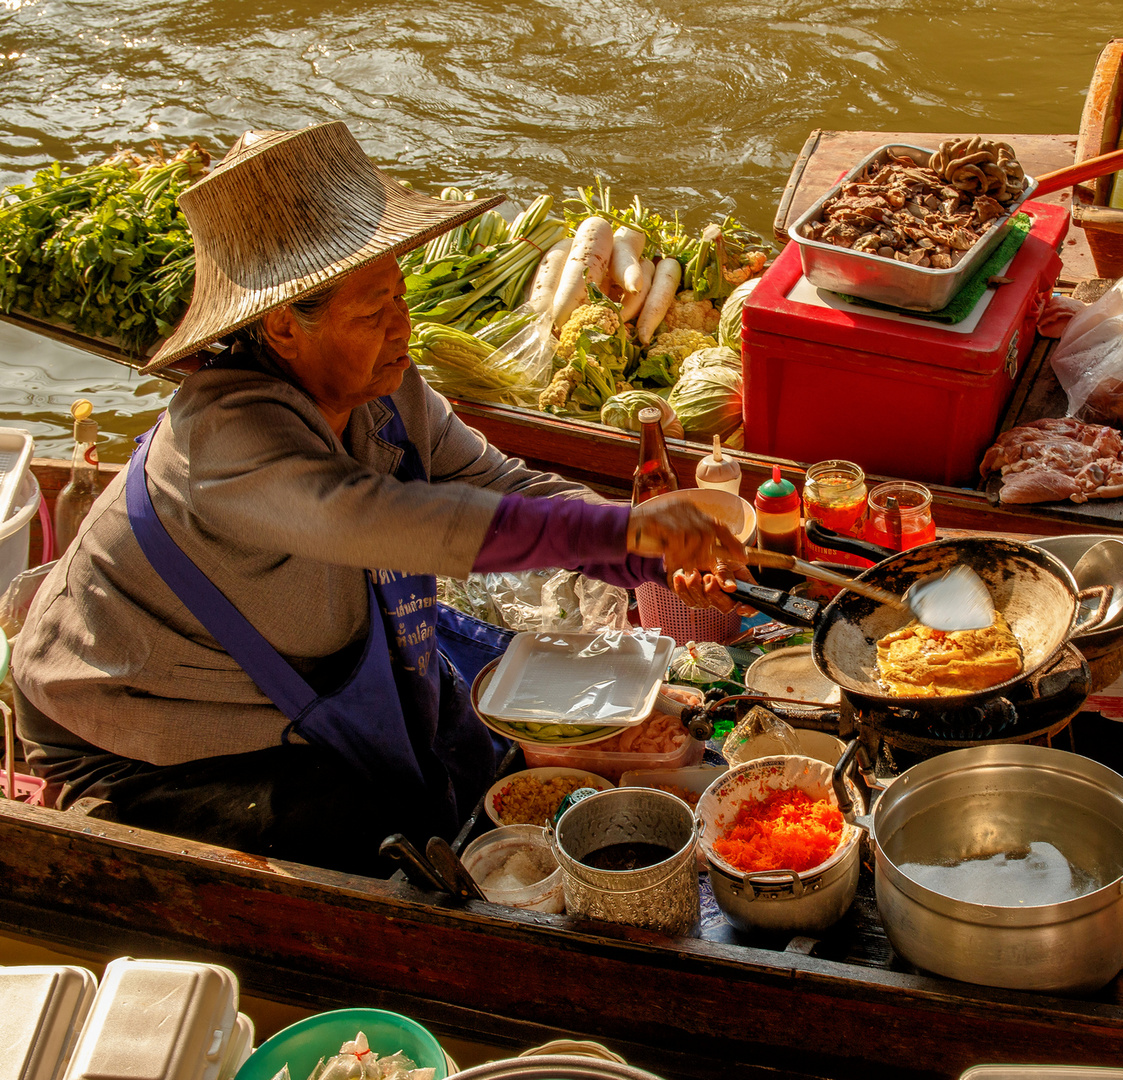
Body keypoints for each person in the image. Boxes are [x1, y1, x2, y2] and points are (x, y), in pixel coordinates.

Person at [11, 121, 745, 874]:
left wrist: (648, 551)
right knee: (382, 841)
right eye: (373, 312)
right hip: (149, 728)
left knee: (475, 763)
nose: (404, 326)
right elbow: (387, 521)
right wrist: (621, 535)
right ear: (282, 327)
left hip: (313, 671)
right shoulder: (224, 441)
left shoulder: (385, 394)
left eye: (399, 295)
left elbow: (501, 485)